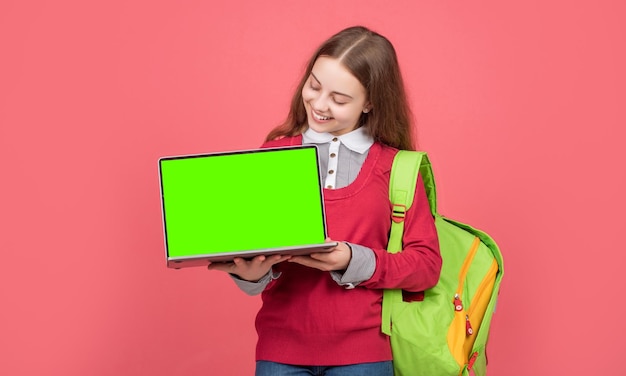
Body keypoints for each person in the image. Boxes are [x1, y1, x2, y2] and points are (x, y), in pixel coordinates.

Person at [208, 25, 442, 376]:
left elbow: (426, 266)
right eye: (314, 86)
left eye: (339, 99)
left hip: (364, 355)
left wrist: (352, 259)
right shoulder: (273, 156)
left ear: (371, 102)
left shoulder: (397, 169)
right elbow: (254, 250)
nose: (318, 104)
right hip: (279, 350)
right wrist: (252, 275)